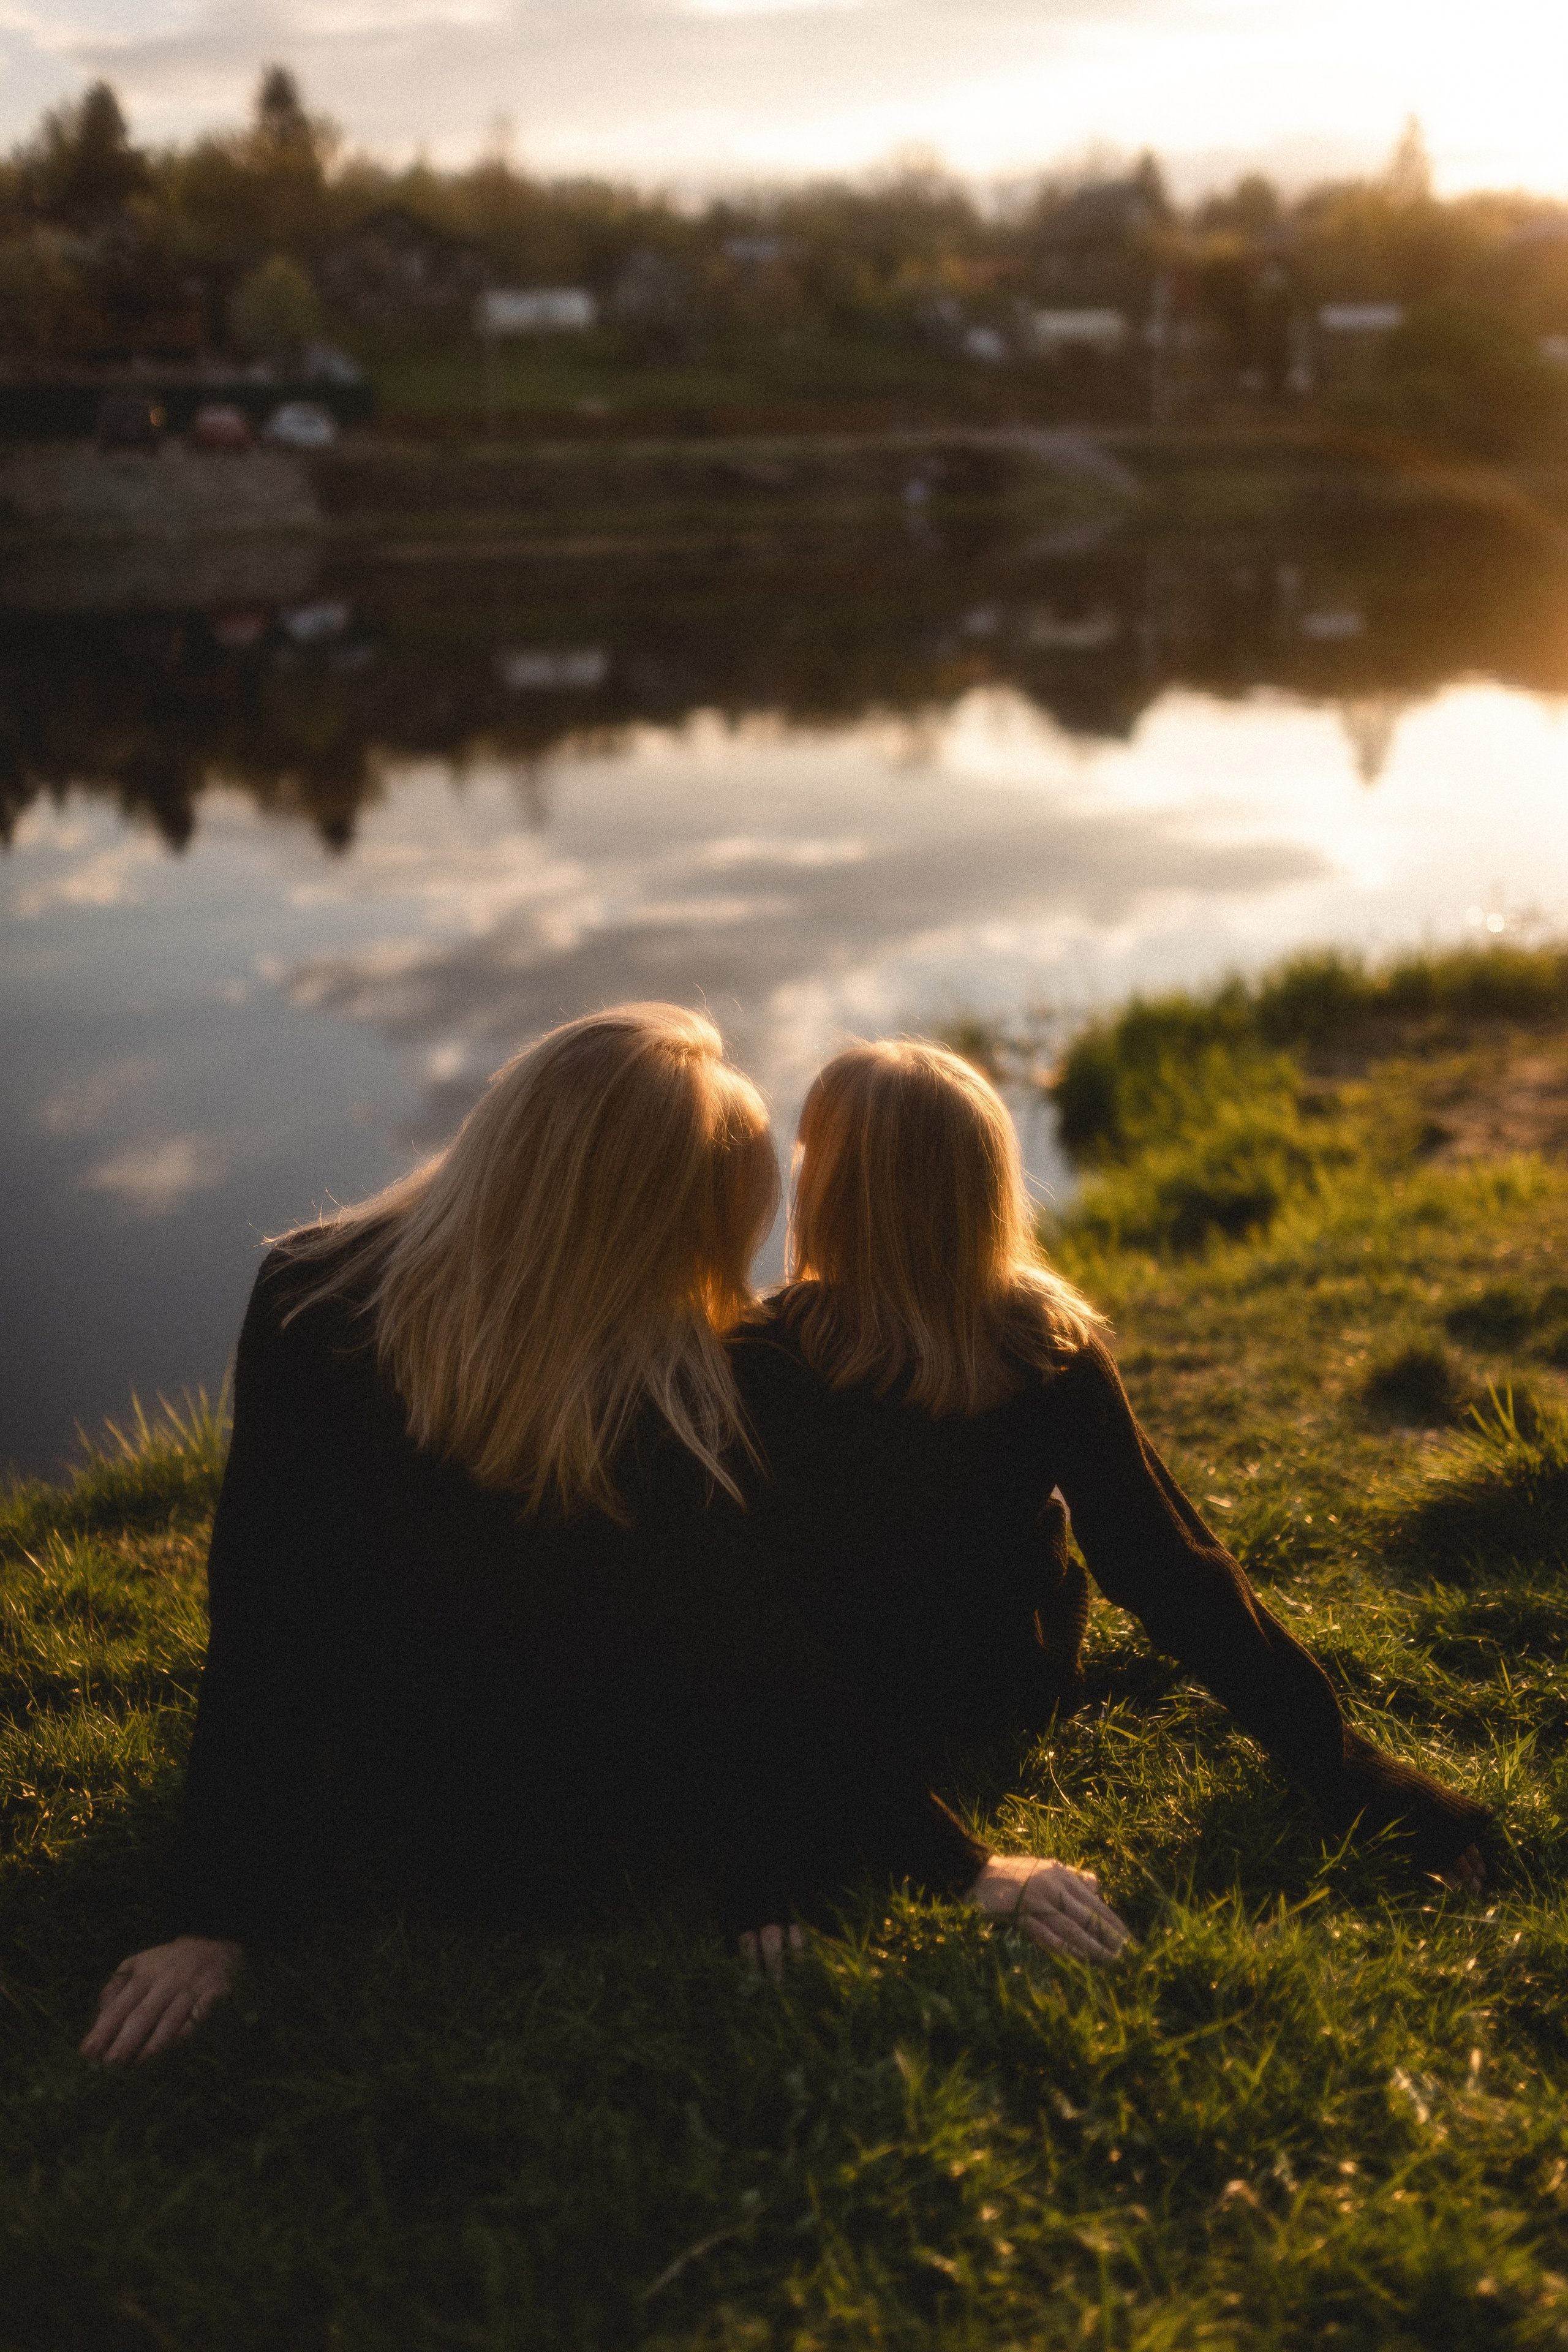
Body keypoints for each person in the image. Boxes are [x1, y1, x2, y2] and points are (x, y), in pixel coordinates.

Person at [81, 1007, 1126, 2067]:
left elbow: (270, 1620)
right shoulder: (346, 1309)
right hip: (546, 1822)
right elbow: (265, 1612)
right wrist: (211, 1921)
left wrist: (958, 1864)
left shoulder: (339, 1295)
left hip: (421, 1793)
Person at [728, 1039, 1489, 1913]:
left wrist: (769, 1840)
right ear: (985, 1188)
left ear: (830, 1191)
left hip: (850, 1709)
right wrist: (1345, 1766)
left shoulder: (761, 1357)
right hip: (1008, 1692)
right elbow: (1170, 1571)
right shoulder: (1043, 1349)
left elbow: (747, 1615)